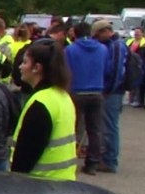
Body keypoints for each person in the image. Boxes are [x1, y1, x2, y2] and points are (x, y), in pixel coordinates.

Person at [12, 40, 77, 180]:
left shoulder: (40, 103)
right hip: (63, 178)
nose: (20, 67)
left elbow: (27, 154)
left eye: (25, 62)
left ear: (37, 67)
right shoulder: (62, 95)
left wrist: (15, 179)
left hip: (39, 182)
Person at [64, 21, 111, 175]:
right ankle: (92, 162)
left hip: (77, 91)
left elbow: (67, 71)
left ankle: (69, 158)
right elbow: (107, 69)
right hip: (96, 91)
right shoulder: (103, 49)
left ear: (75, 34)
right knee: (95, 130)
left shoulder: (70, 50)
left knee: (73, 128)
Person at [94, 20, 129, 174]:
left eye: (97, 35)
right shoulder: (114, 45)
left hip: (113, 91)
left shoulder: (116, 46)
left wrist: (107, 90)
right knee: (108, 125)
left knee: (110, 126)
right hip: (113, 90)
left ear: (104, 32)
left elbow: (115, 71)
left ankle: (110, 160)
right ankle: (107, 157)